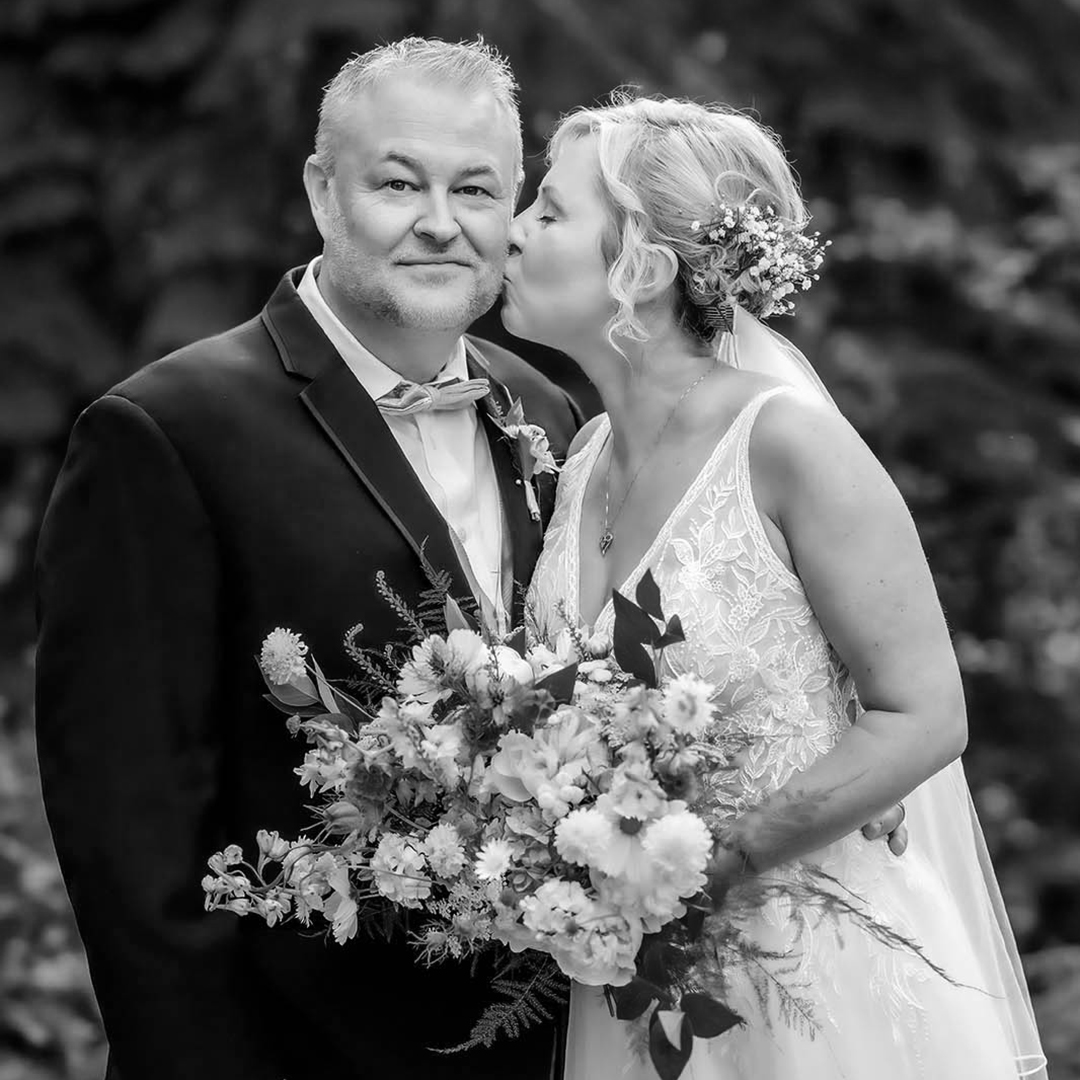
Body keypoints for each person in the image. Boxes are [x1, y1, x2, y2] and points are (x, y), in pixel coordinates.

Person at [34, 38, 585, 1080]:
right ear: (323, 193)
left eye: (476, 188)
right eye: (397, 183)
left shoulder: (545, 409)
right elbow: (128, 832)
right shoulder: (164, 433)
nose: (439, 220)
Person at [507, 94, 1047, 1078]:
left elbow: (924, 715)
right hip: (634, 987)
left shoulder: (788, 442)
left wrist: (709, 866)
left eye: (548, 210)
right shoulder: (582, 457)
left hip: (818, 975)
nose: (513, 229)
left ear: (643, 266)